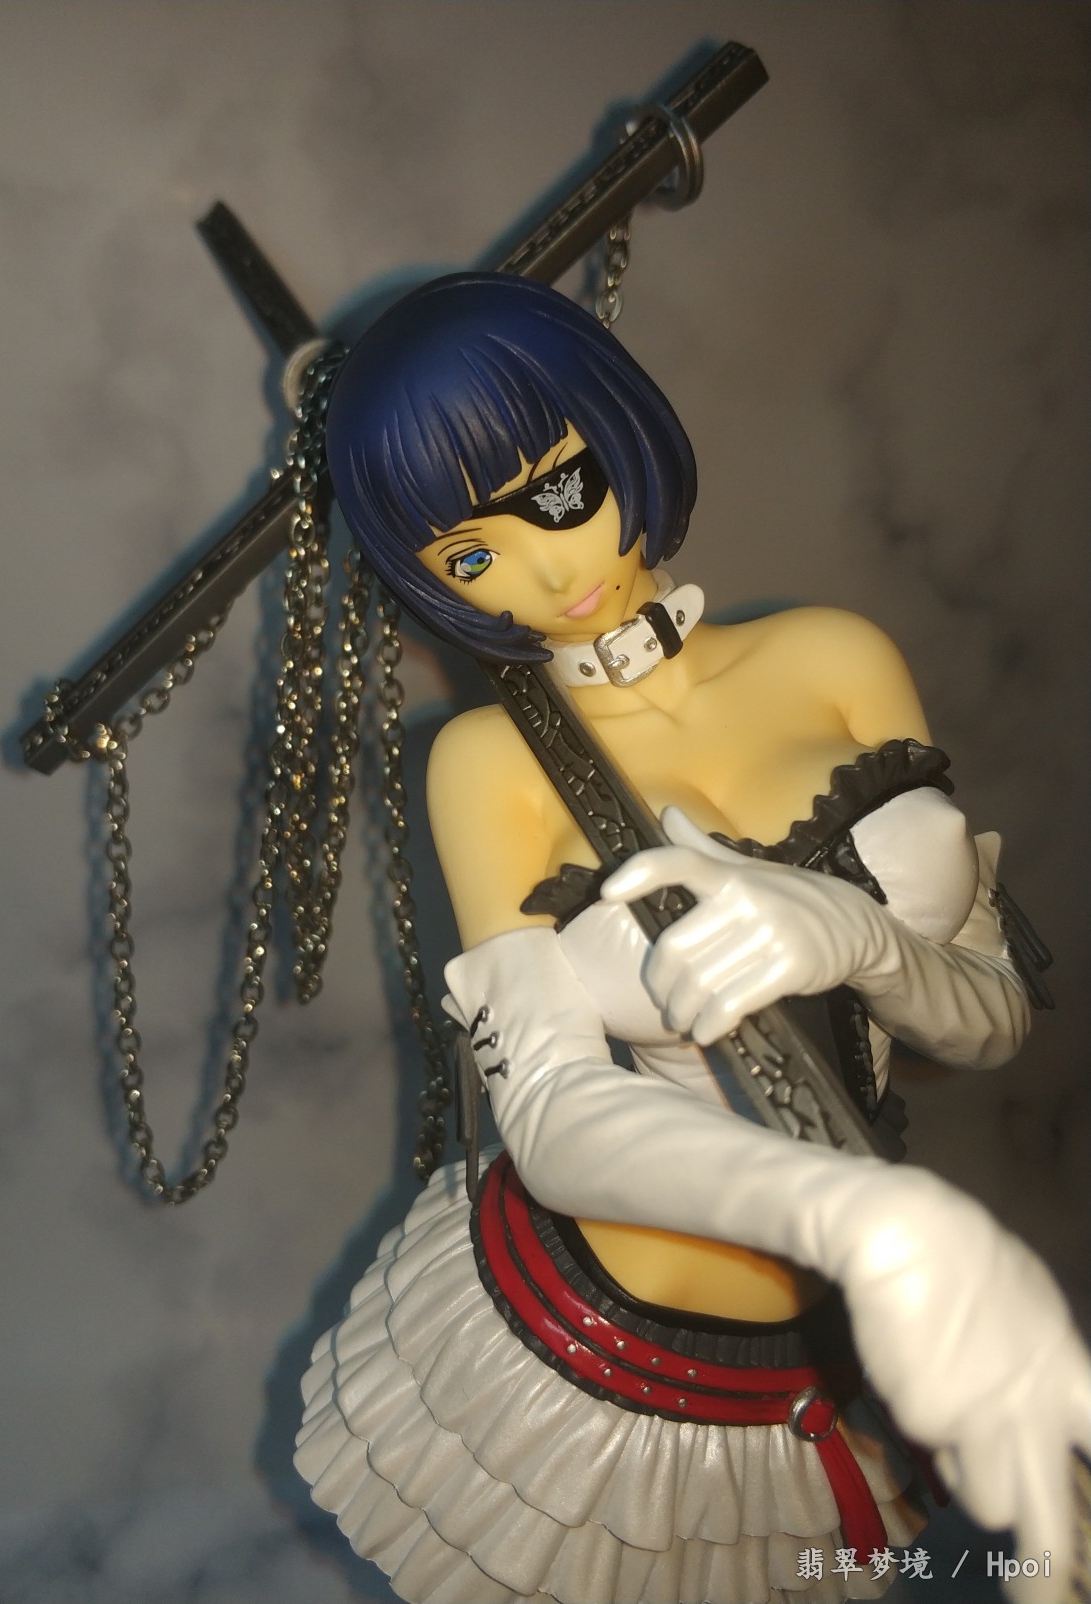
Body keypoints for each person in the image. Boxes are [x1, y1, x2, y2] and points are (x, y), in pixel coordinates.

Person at [294, 272, 1089, 1604]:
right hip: (606, 1353)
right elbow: (548, 1114)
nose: (554, 575)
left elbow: (992, 1015)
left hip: (828, 1359)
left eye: (557, 491)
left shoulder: (836, 656)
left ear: (621, 427)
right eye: (471, 559)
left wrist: (856, 939)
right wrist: (873, 1220)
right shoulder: (485, 767)